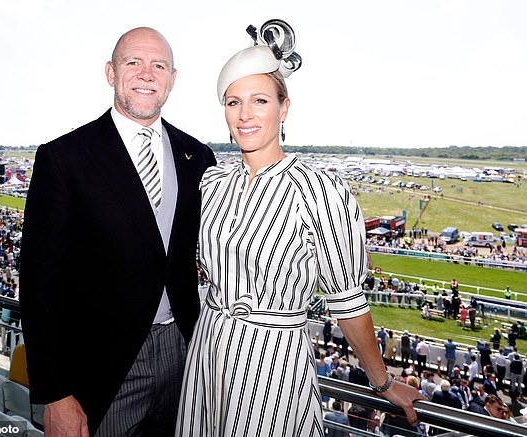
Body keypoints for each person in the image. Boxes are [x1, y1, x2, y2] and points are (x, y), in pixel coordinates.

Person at [175, 23, 423, 437]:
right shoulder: (213, 183)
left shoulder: (321, 191)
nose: (245, 115)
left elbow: (348, 302)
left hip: (272, 365)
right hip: (206, 355)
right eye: (233, 102)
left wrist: (381, 381)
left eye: (259, 100)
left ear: (284, 107)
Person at [18, 26, 216, 436]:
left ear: (172, 80)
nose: (147, 74)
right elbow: (39, 285)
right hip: (104, 369)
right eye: (134, 63)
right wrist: (55, 394)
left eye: (158, 65)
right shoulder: (63, 158)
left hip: (186, 358)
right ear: (111, 73)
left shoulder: (197, 156)